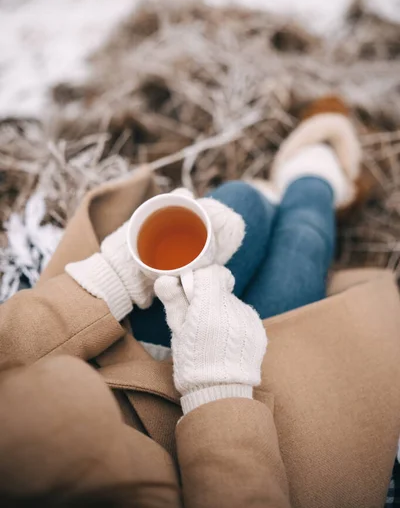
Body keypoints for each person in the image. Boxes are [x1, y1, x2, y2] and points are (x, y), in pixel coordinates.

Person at [0, 97, 399, 508]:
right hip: (232, 434)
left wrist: (113, 278)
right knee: (303, 244)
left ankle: (284, 196)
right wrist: (218, 387)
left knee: (238, 203)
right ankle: (315, 181)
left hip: (117, 357)